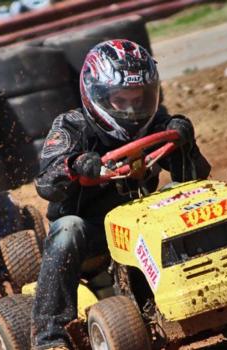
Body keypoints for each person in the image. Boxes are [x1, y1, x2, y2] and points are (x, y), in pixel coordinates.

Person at [31, 39, 211, 350]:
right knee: (66, 229)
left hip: (145, 224)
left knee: (185, 197)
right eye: (120, 100)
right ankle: (50, 338)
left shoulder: (156, 123)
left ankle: (211, 286)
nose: (131, 109)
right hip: (93, 236)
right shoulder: (72, 127)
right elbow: (45, 182)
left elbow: (192, 180)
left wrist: (185, 143)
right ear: (96, 95)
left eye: (138, 100)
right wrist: (75, 165)